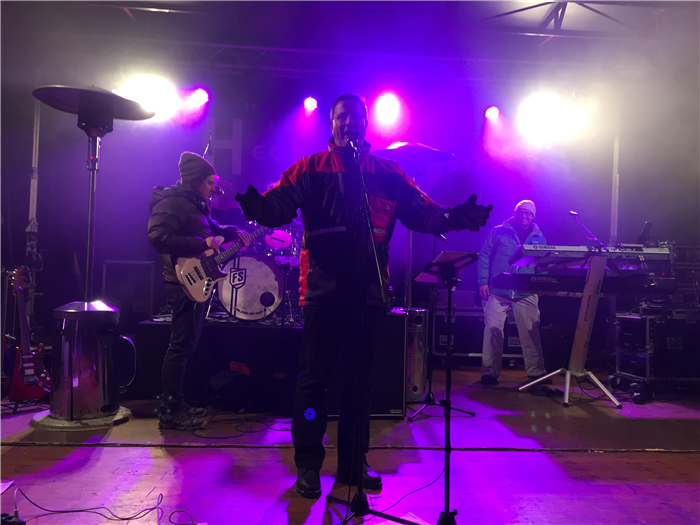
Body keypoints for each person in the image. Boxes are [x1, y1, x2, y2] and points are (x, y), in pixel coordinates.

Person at [235, 94, 492, 498]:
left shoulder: (388, 172)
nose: (348, 123)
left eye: (355, 117)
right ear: (331, 124)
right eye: (341, 117)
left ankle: (353, 464)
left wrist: (453, 217)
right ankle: (308, 464)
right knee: (313, 384)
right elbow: (279, 204)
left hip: (369, 293)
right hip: (322, 293)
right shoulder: (310, 167)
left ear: (366, 124)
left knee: (360, 386)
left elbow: (422, 211)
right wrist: (260, 209)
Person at [147, 152, 251, 431]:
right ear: (195, 182)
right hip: (181, 282)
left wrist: (230, 232)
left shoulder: (194, 203)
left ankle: (177, 404)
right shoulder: (172, 202)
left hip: (194, 282)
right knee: (179, 347)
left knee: (185, 346)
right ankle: (169, 411)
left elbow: (209, 230)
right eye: (209, 183)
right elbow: (158, 238)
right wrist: (199, 244)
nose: (213, 188)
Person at [476, 200, 548, 385]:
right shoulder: (498, 231)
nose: (524, 216)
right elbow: (484, 256)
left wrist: (540, 287)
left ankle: (536, 372)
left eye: (528, 213)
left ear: (533, 216)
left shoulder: (539, 238)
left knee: (530, 332)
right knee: (492, 330)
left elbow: (543, 265)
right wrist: (483, 282)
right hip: (498, 290)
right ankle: (489, 372)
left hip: (526, 291)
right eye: (521, 212)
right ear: (515, 213)